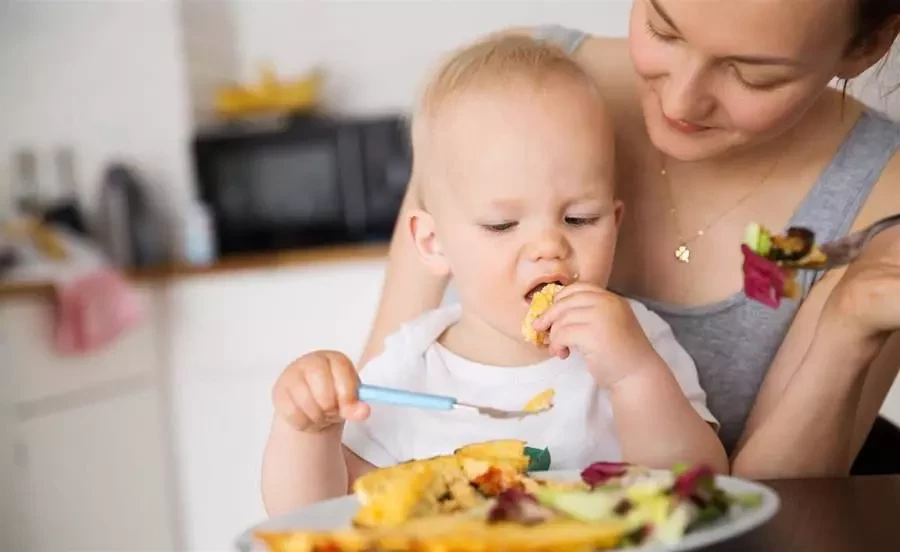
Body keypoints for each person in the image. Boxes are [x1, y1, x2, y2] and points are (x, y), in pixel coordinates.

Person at [360, 0, 900, 481]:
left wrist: (848, 328)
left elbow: (755, 511)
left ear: (867, 45)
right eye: (664, 29)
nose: (682, 101)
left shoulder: (882, 192)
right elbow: (363, 430)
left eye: (753, 75)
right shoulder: (501, 87)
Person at [261, 35, 727, 516]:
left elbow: (706, 488)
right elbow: (317, 513)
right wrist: (308, 432)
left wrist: (634, 376)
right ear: (433, 243)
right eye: (502, 225)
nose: (550, 246)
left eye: (580, 218)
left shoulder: (636, 340)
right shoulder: (413, 368)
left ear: (616, 221)